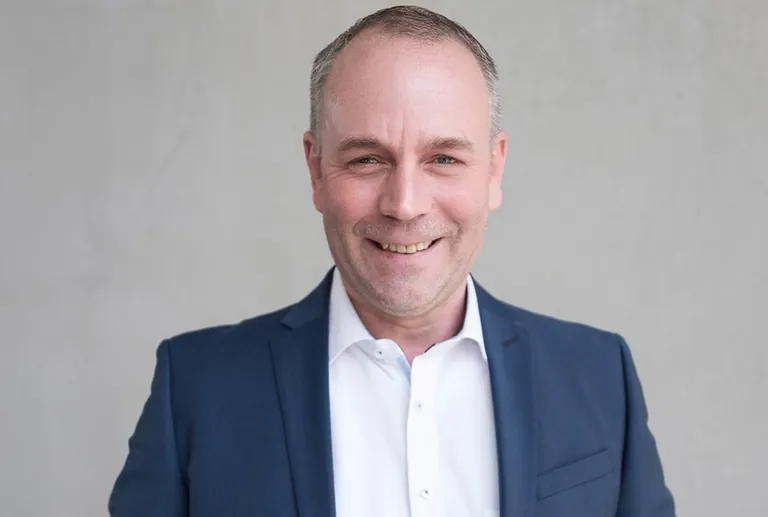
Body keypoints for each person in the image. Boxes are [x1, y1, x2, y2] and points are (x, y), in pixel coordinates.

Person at [108, 5, 676, 517]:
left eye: (444, 158)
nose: (405, 204)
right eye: (367, 159)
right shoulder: (197, 388)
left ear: (494, 169)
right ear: (316, 169)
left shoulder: (600, 377)